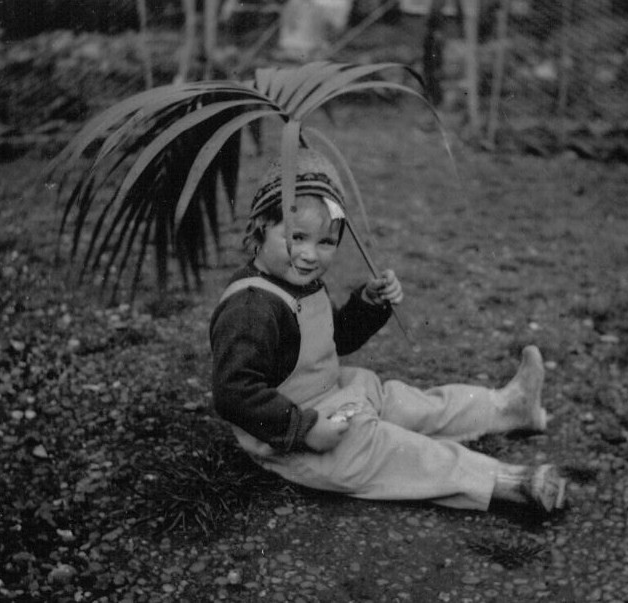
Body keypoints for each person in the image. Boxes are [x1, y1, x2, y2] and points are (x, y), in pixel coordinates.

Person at [209, 147, 567, 514]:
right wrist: (304, 429)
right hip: (291, 438)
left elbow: (334, 339)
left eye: (326, 242)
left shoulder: (299, 281)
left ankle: (507, 408)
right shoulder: (251, 306)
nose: (310, 255)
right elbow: (234, 391)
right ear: (261, 228)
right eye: (297, 237)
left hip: (335, 395)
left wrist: (369, 302)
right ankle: (507, 483)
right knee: (394, 451)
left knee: (409, 403)